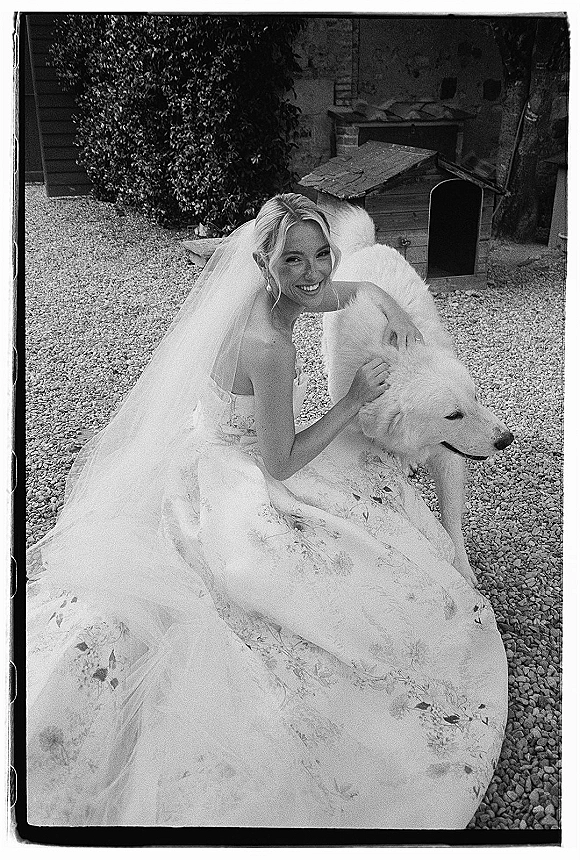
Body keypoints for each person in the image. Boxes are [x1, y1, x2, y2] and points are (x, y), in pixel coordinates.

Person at [26, 193, 507, 828]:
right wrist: (353, 399)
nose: (312, 272)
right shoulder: (269, 342)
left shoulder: (277, 297)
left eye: (320, 255)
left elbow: (329, 293)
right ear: (264, 261)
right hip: (242, 472)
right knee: (350, 564)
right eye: (294, 260)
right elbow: (278, 463)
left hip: (214, 445)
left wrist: (376, 293)